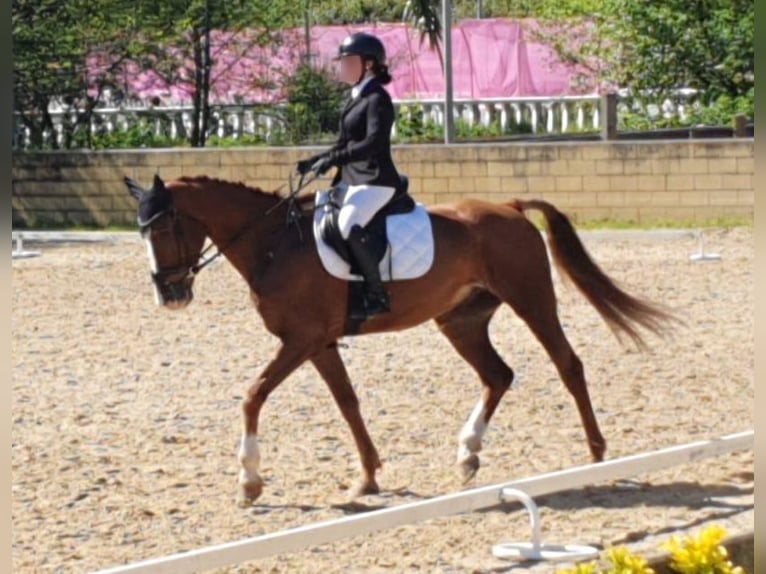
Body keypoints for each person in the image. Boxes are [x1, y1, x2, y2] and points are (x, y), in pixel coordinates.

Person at [297, 32, 402, 317]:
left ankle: (376, 295)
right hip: (353, 178)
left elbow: (372, 143)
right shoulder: (356, 97)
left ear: (367, 65)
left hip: (376, 179)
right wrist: (316, 160)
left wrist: (335, 159)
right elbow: (344, 143)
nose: (340, 67)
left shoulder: (378, 98)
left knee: (347, 224)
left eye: (347, 61)